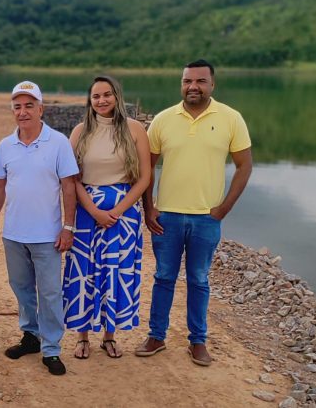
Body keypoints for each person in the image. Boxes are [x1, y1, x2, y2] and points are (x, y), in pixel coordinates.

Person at [136, 59, 252, 366]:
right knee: (163, 277)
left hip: (206, 218)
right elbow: (147, 168)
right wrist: (149, 208)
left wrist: (224, 208)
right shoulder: (163, 120)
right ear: (181, 84)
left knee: (199, 280)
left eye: (200, 81)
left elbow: (244, 166)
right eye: (188, 81)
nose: (193, 86)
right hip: (167, 217)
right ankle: (156, 336)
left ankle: (197, 341)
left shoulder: (231, 118)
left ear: (212, 84)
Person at [0, 81, 79, 376]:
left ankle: (51, 349)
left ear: (41, 109)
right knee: (22, 288)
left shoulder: (58, 142)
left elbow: (69, 186)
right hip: (14, 234)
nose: (22, 112)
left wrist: (68, 227)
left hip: (47, 236)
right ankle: (30, 336)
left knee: (50, 293)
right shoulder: (5, 145)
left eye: (29, 106)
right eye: (17, 107)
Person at [62, 76, 150, 359]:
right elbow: (71, 177)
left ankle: (109, 336)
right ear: (90, 100)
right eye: (96, 96)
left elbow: (144, 177)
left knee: (115, 272)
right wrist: (94, 210)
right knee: (85, 273)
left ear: (117, 96)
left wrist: (118, 210)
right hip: (86, 214)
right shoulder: (80, 131)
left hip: (123, 217)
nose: (101, 100)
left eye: (107, 94)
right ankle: (82, 336)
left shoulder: (135, 129)